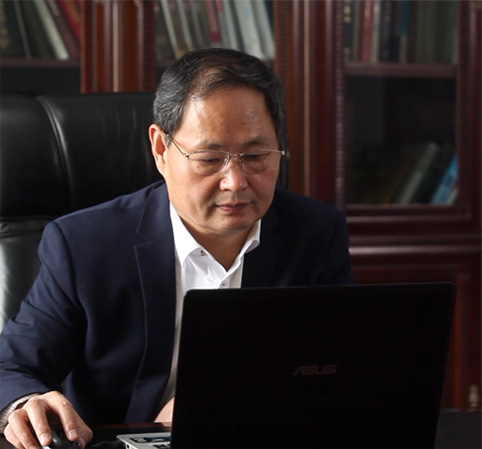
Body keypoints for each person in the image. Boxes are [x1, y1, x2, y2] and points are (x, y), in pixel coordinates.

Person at [0, 47, 354, 449]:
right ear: (161, 149)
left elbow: (343, 366)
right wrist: (25, 402)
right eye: (209, 158)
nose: (235, 182)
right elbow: (11, 365)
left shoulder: (315, 233)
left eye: (256, 156)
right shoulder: (85, 245)